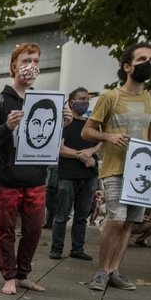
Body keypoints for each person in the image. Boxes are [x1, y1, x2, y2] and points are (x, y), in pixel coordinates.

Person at [82, 42, 151, 292]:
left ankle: (113, 270)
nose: (147, 63)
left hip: (141, 173)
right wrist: (108, 137)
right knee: (115, 219)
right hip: (115, 168)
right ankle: (101, 271)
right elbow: (87, 131)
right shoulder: (110, 97)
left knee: (129, 222)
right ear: (127, 66)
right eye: (141, 59)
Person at [0, 42, 48, 295]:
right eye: (26, 61)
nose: (31, 67)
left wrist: (61, 124)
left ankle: (23, 274)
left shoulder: (43, 102)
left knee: (34, 230)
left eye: (36, 61)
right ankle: (9, 276)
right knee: (6, 230)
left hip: (36, 178)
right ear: (14, 67)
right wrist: (6, 128)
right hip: (7, 179)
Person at [49, 88, 98, 260]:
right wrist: (81, 156)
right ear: (71, 102)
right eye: (81, 98)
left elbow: (102, 144)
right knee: (62, 215)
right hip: (67, 175)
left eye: (87, 99)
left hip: (89, 176)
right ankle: (56, 248)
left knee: (82, 215)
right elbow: (59, 148)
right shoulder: (63, 124)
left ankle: (78, 248)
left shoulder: (92, 125)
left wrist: (90, 153)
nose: (84, 102)